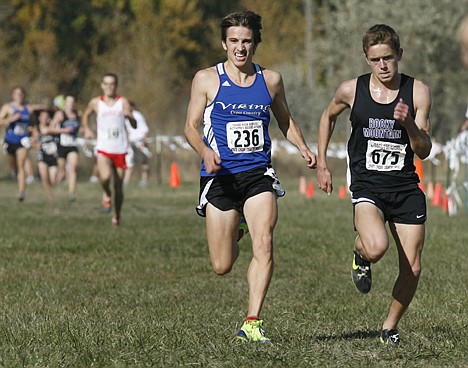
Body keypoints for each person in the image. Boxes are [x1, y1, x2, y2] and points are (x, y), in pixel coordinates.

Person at [184, 10, 316, 342]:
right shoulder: (206, 79)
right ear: (223, 43)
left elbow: (285, 120)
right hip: (221, 177)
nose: (240, 48)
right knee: (222, 265)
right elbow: (190, 127)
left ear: (255, 42)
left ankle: (252, 322)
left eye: (246, 41)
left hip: (258, 175)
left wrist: (303, 147)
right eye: (234, 41)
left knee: (266, 243)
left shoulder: (270, 80)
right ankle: (237, 225)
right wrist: (204, 152)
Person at [316, 24, 432, 345]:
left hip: (406, 187)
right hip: (367, 184)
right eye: (375, 59)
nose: (382, 66)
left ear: (399, 55)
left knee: (413, 268)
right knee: (376, 246)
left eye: (388, 58)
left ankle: (388, 327)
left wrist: (408, 123)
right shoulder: (351, 90)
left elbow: (424, 149)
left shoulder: (417, 92)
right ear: (366, 59)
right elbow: (328, 117)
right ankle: (360, 252)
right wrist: (322, 162)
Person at [82, 73, 136, 226]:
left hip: (120, 149)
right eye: (106, 83)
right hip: (103, 148)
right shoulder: (96, 103)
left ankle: (117, 216)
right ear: (102, 85)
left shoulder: (122, 102)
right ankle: (106, 194)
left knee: (118, 187)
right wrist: (86, 129)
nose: (109, 87)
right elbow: (86, 115)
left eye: (112, 84)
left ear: (116, 85)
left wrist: (129, 116)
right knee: (104, 177)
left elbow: (134, 124)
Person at [0, 86, 46, 201]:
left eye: (21, 94)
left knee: (21, 165)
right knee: (14, 166)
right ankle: (14, 172)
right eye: (17, 94)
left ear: (23, 96)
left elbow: (33, 123)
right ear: (13, 95)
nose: (19, 96)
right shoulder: (8, 107)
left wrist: (35, 135)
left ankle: (21, 193)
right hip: (10, 141)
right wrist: (10, 119)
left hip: (23, 141)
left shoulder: (28, 108)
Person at [49, 95, 81, 201]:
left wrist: (84, 131)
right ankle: (56, 183)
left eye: (72, 102)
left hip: (73, 145)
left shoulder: (78, 114)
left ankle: (72, 193)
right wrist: (64, 130)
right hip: (61, 145)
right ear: (65, 103)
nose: (70, 104)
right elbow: (51, 129)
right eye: (68, 102)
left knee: (73, 168)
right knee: (62, 172)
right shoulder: (60, 114)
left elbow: (80, 127)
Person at [123, 101, 151, 187]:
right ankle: (126, 181)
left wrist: (144, 141)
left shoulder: (138, 115)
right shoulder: (125, 117)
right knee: (129, 162)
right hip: (130, 143)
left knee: (143, 162)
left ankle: (144, 180)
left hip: (140, 142)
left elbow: (145, 129)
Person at [36, 109, 59, 200]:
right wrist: (36, 144)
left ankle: (50, 191)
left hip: (53, 156)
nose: (44, 118)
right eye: (43, 117)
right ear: (39, 118)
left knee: (53, 180)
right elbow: (33, 142)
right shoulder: (36, 129)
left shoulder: (53, 127)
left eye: (46, 117)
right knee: (44, 178)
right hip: (42, 156)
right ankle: (50, 196)